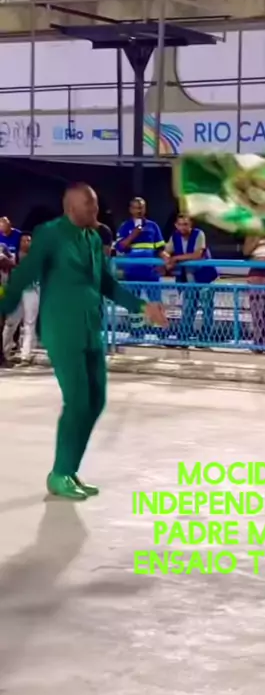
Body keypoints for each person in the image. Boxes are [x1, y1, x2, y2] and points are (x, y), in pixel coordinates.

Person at [0, 183, 168, 500]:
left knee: (96, 400)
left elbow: (107, 284)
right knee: (77, 401)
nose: (95, 210)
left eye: (96, 204)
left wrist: (143, 307)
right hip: (62, 328)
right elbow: (23, 275)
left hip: (90, 328)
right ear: (71, 208)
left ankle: (69, 469)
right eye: (89, 205)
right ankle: (59, 473)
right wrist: (4, 307)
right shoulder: (50, 235)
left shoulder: (92, 238)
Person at [165, 214, 217, 343]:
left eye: (186, 224)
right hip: (188, 278)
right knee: (188, 306)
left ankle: (206, 337)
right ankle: (184, 335)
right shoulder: (175, 236)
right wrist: (167, 259)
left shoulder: (199, 234)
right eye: (180, 224)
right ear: (176, 225)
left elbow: (197, 255)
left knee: (207, 307)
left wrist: (175, 258)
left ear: (191, 225)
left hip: (204, 276)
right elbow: (166, 251)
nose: (183, 227)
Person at [2, 233, 39, 365]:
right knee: (11, 322)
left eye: (28, 240)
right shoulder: (13, 256)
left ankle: (26, 355)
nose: (26, 243)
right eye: (23, 240)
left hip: (32, 291)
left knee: (29, 322)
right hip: (16, 291)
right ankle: (4, 352)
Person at [116, 197, 167, 290]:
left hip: (151, 272)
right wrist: (133, 235)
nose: (139, 211)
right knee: (132, 299)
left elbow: (160, 249)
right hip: (132, 272)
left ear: (145, 209)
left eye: (141, 208)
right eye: (136, 208)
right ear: (130, 209)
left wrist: (163, 264)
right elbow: (119, 248)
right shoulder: (125, 226)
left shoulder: (153, 226)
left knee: (154, 299)